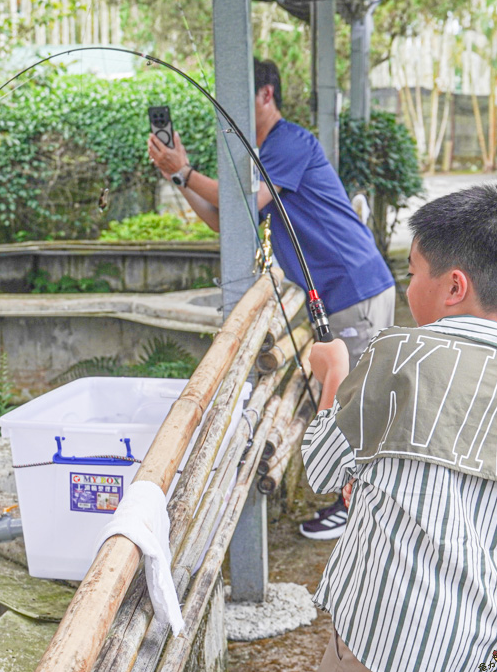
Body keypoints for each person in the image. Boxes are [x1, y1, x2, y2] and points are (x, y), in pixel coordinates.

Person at [302, 183, 497, 672]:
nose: (407, 284)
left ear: (454, 286)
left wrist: (333, 372)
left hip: (388, 647)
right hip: (480, 656)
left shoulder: (397, 354)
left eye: (413, 272)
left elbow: (322, 470)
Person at [148, 58, 395, 540]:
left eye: (243, 97)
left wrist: (189, 170)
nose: (233, 110)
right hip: (340, 287)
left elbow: (242, 203)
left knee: (355, 400)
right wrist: (179, 178)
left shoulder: (289, 142)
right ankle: (359, 503)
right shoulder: (262, 151)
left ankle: (360, 512)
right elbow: (227, 221)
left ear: (266, 95)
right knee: (349, 396)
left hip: (354, 285)